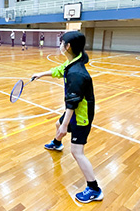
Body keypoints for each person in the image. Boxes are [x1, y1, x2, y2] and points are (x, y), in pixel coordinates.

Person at [32, 31, 103, 203]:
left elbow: (72, 103)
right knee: (58, 124)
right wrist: (41, 74)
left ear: (68, 46)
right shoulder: (73, 61)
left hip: (81, 115)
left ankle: (94, 189)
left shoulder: (77, 73)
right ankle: (56, 143)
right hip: (77, 109)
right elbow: (59, 70)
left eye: (62, 42)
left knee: (77, 152)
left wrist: (66, 125)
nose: (60, 45)